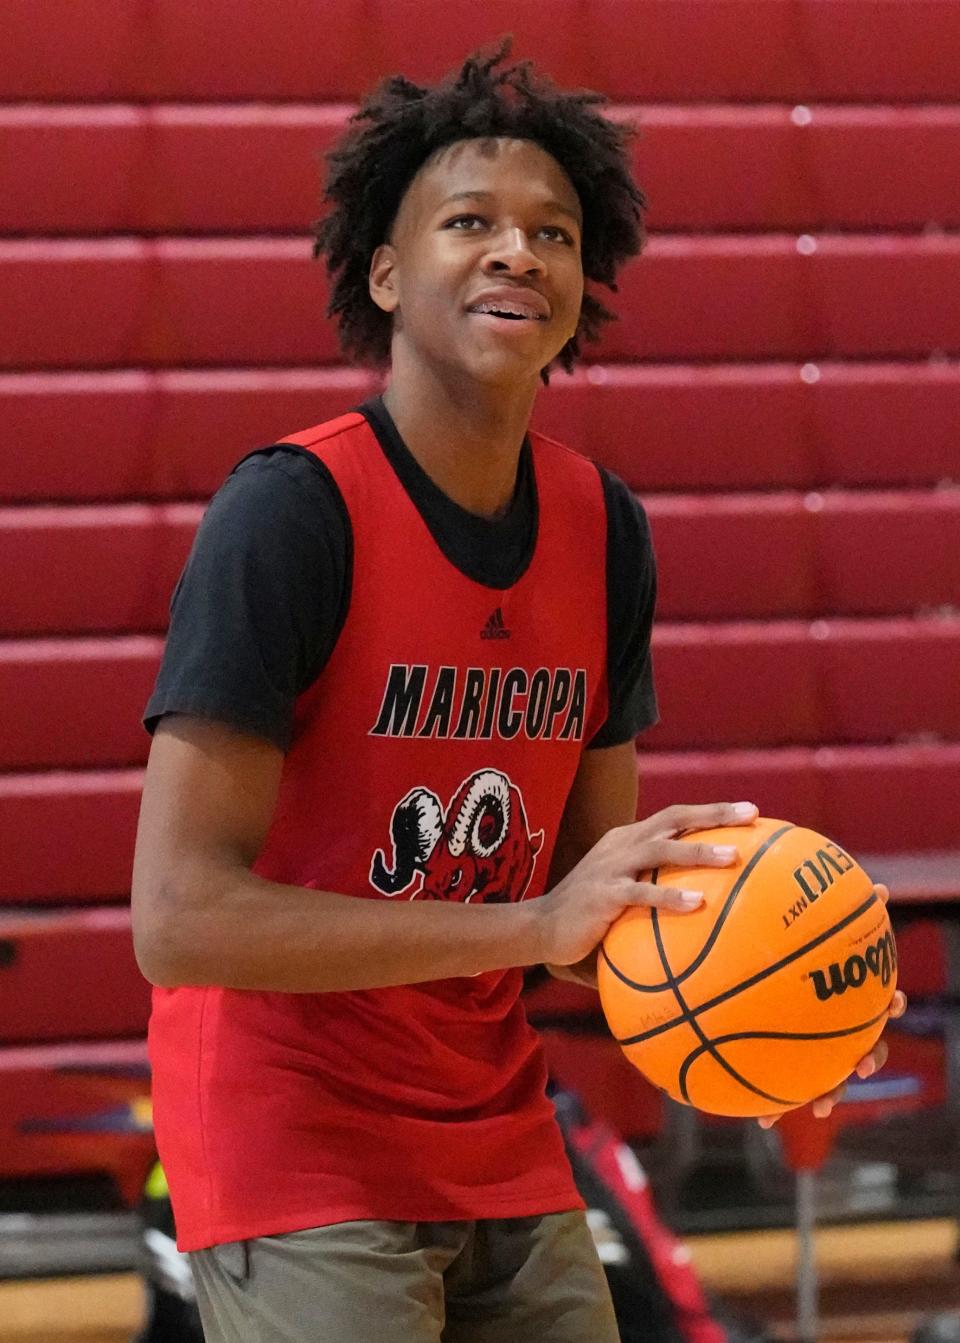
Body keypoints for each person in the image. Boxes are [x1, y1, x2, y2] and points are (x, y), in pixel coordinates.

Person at [131, 44, 903, 1343]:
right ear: (384, 272)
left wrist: (795, 987)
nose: (517, 252)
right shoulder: (290, 516)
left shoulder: (607, 533)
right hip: (290, 1126)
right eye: (470, 223)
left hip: (490, 1114)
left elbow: (599, 897)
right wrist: (536, 924)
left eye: (553, 231)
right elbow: (178, 916)